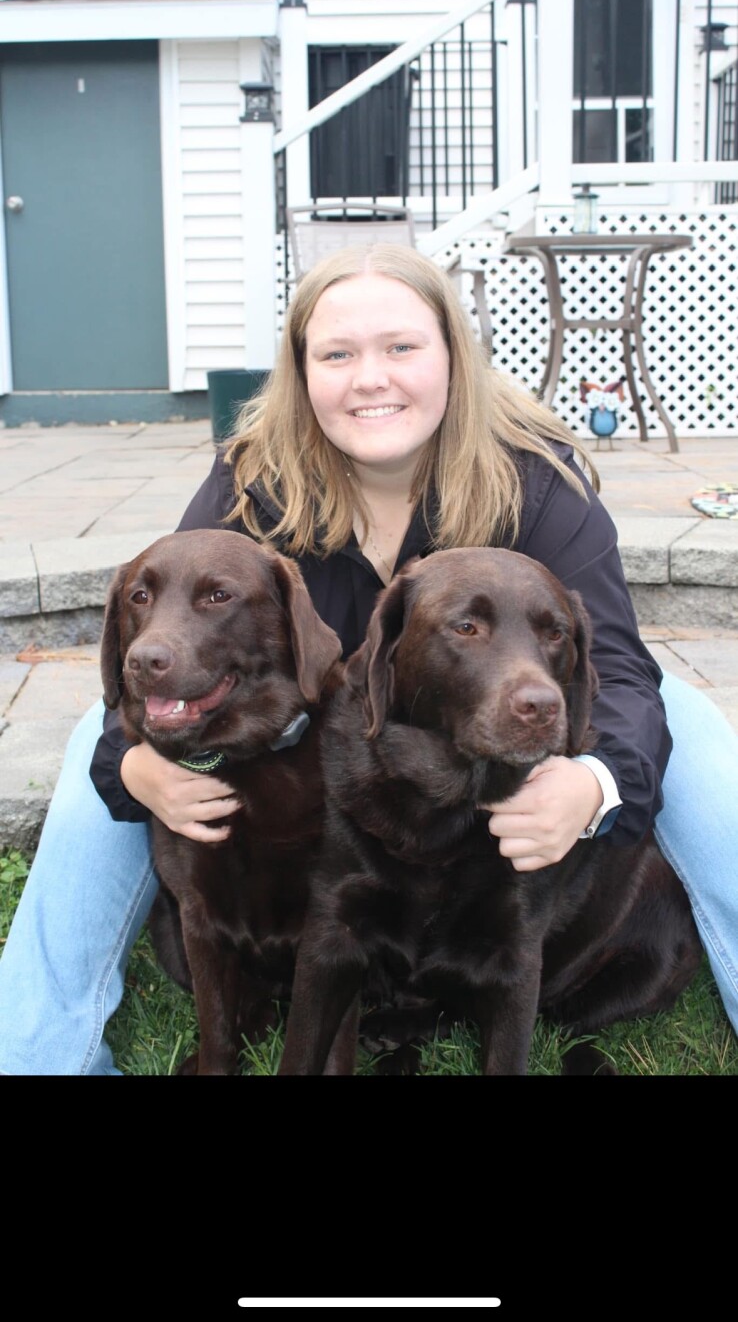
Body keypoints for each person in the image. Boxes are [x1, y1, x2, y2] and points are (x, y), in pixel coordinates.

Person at [0, 245, 736, 1074]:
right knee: (98, 743)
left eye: (401, 347)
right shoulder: (253, 481)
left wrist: (595, 784)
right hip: (336, 733)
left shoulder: (536, 484)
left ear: (452, 356)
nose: (370, 378)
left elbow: (624, 674)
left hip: (493, 716)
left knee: (697, 730)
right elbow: (166, 636)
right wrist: (130, 763)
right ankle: (37, 1055)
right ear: (301, 372)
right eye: (337, 354)